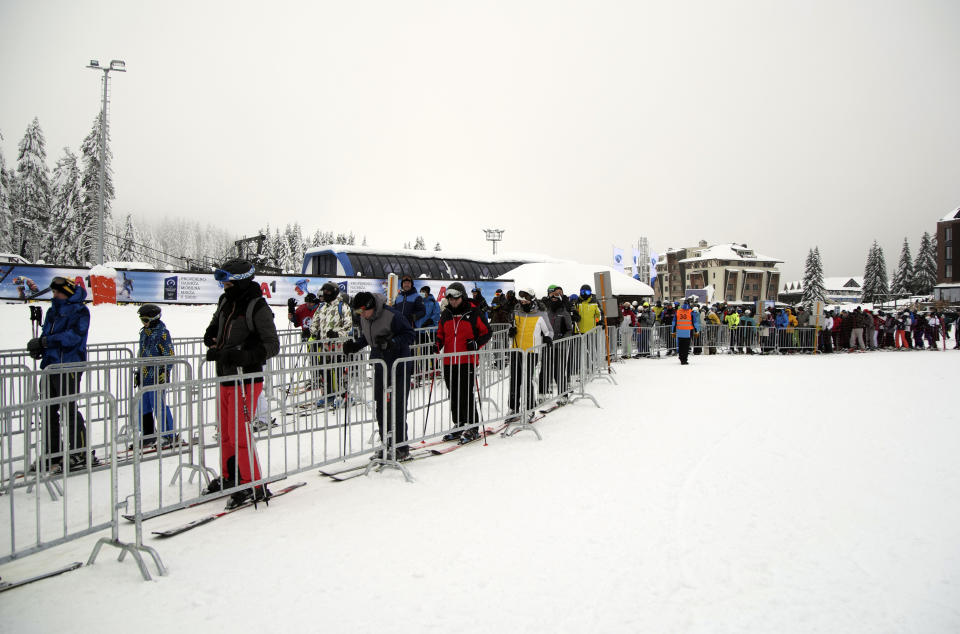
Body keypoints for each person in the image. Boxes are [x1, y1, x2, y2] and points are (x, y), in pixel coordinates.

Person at [202, 259, 280, 509]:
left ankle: (251, 482)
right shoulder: (226, 300)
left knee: (240, 433)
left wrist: (243, 356)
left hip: (246, 377)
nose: (223, 285)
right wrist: (212, 338)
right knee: (225, 431)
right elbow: (217, 326)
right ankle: (231, 475)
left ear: (240, 280)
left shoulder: (257, 306)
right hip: (225, 374)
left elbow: (272, 345)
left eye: (227, 281)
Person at [26, 276, 93, 473]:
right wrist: (40, 345)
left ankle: (79, 452)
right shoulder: (52, 311)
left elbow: (74, 337)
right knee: (47, 410)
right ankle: (52, 452)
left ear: (68, 292)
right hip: (51, 365)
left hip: (69, 365)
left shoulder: (80, 311)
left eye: (58, 292)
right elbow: (48, 335)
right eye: (54, 292)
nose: (55, 295)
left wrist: (48, 342)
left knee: (69, 409)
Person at [343, 292, 416, 459]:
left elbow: (410, 335)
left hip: (398, 365)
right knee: (381, 406)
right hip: (380, 365)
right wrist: (355, 346)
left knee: (396, 407)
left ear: (370, 306)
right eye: (358, 313)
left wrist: (392, 342)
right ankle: (386, 443)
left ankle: (400, 447)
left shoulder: (392, 315)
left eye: (362, 312)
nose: (361, 316)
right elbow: (368, 337)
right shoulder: (365, 318)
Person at [435, 282, 492, 443]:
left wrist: (476, 343)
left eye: (456, 298)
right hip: (448, 360)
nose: (453, 301)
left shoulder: (473, 312)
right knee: (453, 392)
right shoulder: (446, 314)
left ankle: (472, 426)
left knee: (466, 392)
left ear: (462, 296)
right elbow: (441, 333)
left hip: (466, 359)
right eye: (450, 298)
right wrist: (437, 343)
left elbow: (487, 332)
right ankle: (459, 423)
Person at [135, 304, 179, 448]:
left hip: (157, 376)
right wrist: (138, 371)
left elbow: (169, 355)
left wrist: (164, 371)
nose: (144, 323)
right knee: (144, 406)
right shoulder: (144, 333)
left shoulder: (162, 334)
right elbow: (141, 353)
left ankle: (168, 434)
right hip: (145, 376)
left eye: (146, 320)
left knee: (158, 405)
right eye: (142, 320)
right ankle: (148, 435)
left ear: (155, 318)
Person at [507, 288, 553, 421]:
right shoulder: (516, 312)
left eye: (526, 300)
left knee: (527, 380)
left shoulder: (540, 314)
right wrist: (511, 331)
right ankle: (513, 408)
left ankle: (530, 409)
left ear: (532, 299)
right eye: (521, 300)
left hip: (531, 351)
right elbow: (511, 326)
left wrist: (548, 337)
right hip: (516, 350)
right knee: (515, 379)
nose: (523, 302)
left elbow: (549, 331)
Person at [541, 285, 574, 401]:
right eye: (552, 299)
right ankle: (542, 393)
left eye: (556, 299)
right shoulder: (547, 313)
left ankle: (563, 394)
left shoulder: (564, 313)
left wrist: (563, 339)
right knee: (545, 369)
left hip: (560, 346)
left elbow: (570, 330)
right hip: (548, 345)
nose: (554, 301)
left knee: (558, 370)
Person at [671, 297, 701, 365]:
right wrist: (697, 331)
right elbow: (695, 323)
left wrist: (673, 331)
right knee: (686, 347)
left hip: (679, 332)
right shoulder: (691, 312)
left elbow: (674, 322)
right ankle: (684, 360)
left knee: (680, 346)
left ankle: (681, 357)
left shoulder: (678, 312)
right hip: (687, 332)